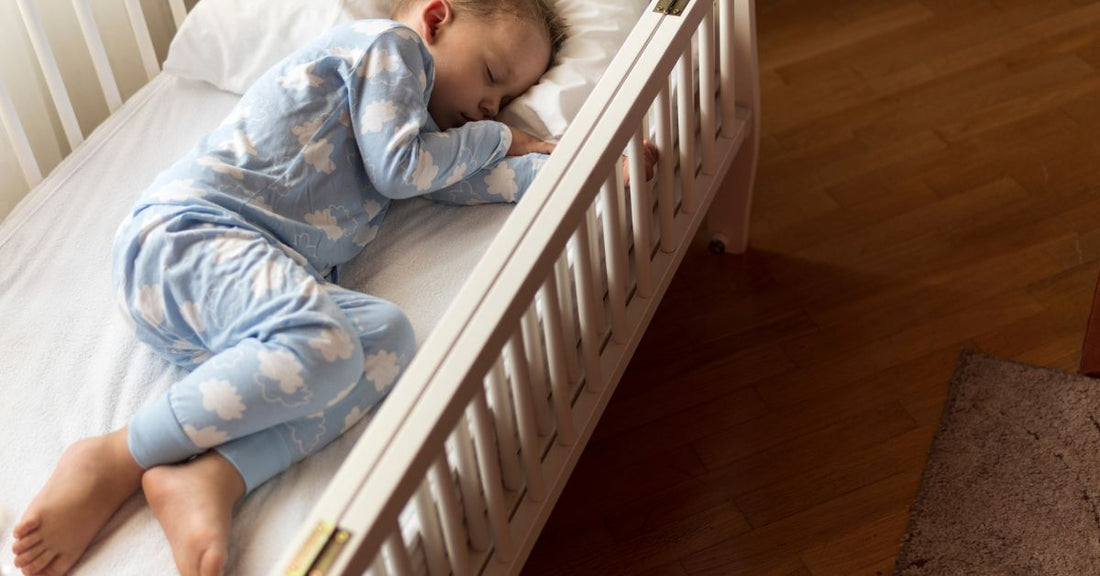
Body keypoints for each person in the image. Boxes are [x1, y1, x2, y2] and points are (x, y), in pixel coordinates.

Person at [9, 1, 653, 575]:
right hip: (193, 237)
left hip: (234, 299)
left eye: (506, 97)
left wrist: (582, 166)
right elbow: (404, 171)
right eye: (491, 77)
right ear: (435, 19)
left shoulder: (420, 138)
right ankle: (117, 455)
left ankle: (217, 474)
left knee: (384, 337)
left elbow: (449, 178)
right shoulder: (387, 50)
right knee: (329, 342)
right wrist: (503, 136)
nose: (490, 106)